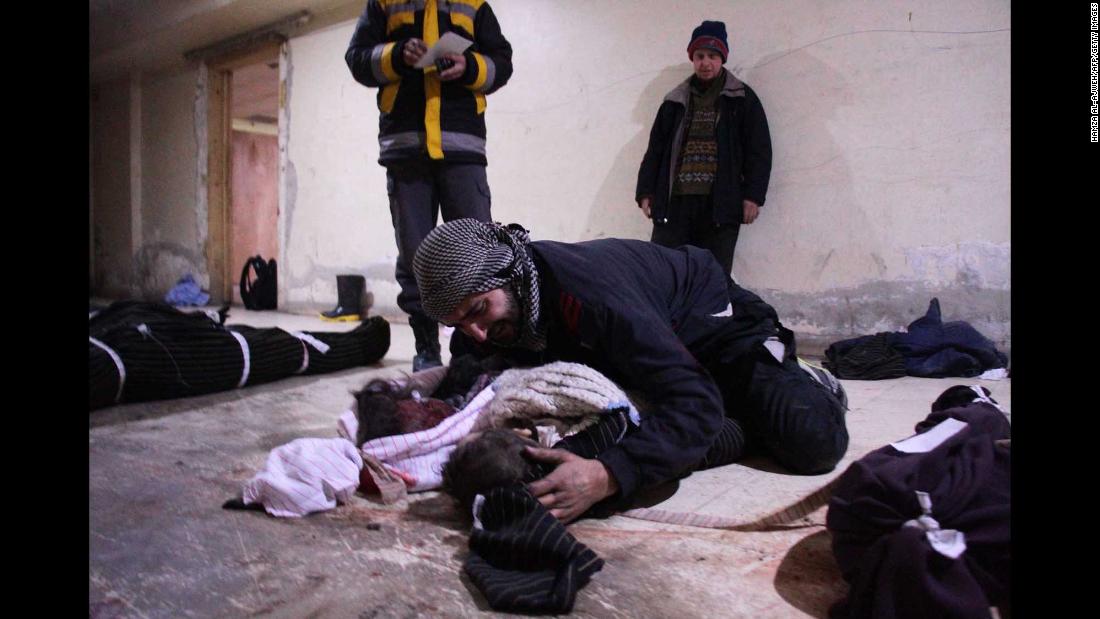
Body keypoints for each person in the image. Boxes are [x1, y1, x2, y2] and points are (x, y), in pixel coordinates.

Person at [413, 219, 849, 523]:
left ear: (509, 274)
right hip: (645, 346)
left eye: (478, 311)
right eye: (458, 323)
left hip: (716, 331)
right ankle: (725, 415)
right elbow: (465, 367)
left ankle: (803, 377)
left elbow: (692, 405)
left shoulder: (594, 297)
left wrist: (607, 475)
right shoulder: (486, 313)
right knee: (656, 425)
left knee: (809, 440)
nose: (477, 333)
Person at [345, 0, 513, 370]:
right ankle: (426, 346)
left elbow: (502, 62)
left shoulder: (474, 4)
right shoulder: (385, 3)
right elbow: (356, 58)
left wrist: (468, 66)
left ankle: (476, 347)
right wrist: (396, 56)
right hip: (406, 151)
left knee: (478, 251)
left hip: (463, 149)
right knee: (415, 256)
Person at [635, 20, 772, 275]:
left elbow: (759, 150)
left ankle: (712, 317)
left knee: (713, 279)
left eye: (712, 55)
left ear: (723, 58)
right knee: (665, 274)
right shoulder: (674, 101)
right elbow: (656, 150)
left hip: (720, 206)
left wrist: (753, 196)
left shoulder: (742, 99)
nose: (705, 63)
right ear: (692, 58)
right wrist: (646, 191)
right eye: (699, 56)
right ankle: (668, 317)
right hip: (675, 204)